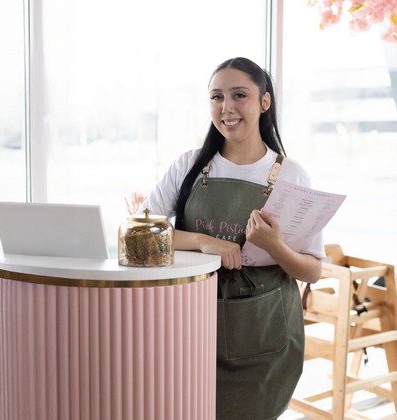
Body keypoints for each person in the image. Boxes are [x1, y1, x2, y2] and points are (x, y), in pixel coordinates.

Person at [139, 57, 324, 419]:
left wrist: (275, 247)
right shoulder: (189, 166)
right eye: (216, 97)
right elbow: (139, 234)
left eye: (240, 95)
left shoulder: (291, 176)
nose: (227, 107)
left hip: (263, 333)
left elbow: (312, 271)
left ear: (264, 101)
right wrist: (204, 242)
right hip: (189, 324)